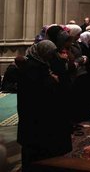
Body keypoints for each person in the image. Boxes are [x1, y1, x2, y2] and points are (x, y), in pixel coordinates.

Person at [18, 40, 72, 171]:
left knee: (44, 146)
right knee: (35, 149)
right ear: (43, 52)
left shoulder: (40, 62)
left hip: (42, 113)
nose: (51, 57)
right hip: (34, 115)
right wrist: (51, 80)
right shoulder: (31, 67)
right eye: (49, 54)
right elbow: (36, 91)